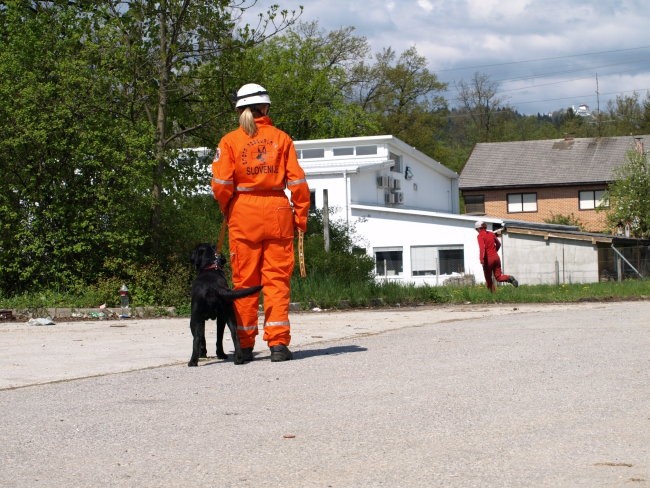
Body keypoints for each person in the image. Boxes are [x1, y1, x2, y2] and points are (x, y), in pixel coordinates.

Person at [211, 83, 310, 362]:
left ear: (240, 110)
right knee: (276, 280)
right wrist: (300, 216)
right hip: (278, 209)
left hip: (243, 212)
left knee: (244, 280)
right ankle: (278, 344)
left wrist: (227, 206)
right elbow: (298, 182)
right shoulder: (281, 138)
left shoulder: (229, 141)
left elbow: (220, 184)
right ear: (265, 108)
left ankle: (243, 344)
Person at [475, 221, 518, 292]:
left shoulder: (480, 236)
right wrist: (494, 252)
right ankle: (509, 278)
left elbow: (482, 248)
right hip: (496, 258)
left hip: (488, 260)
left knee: (488, 279)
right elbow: (498, 244)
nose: (477, 231)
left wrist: (481, 260)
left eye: (476, 229)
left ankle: (493, 295)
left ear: (479, 228)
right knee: (498, 277)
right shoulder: (491, 234)